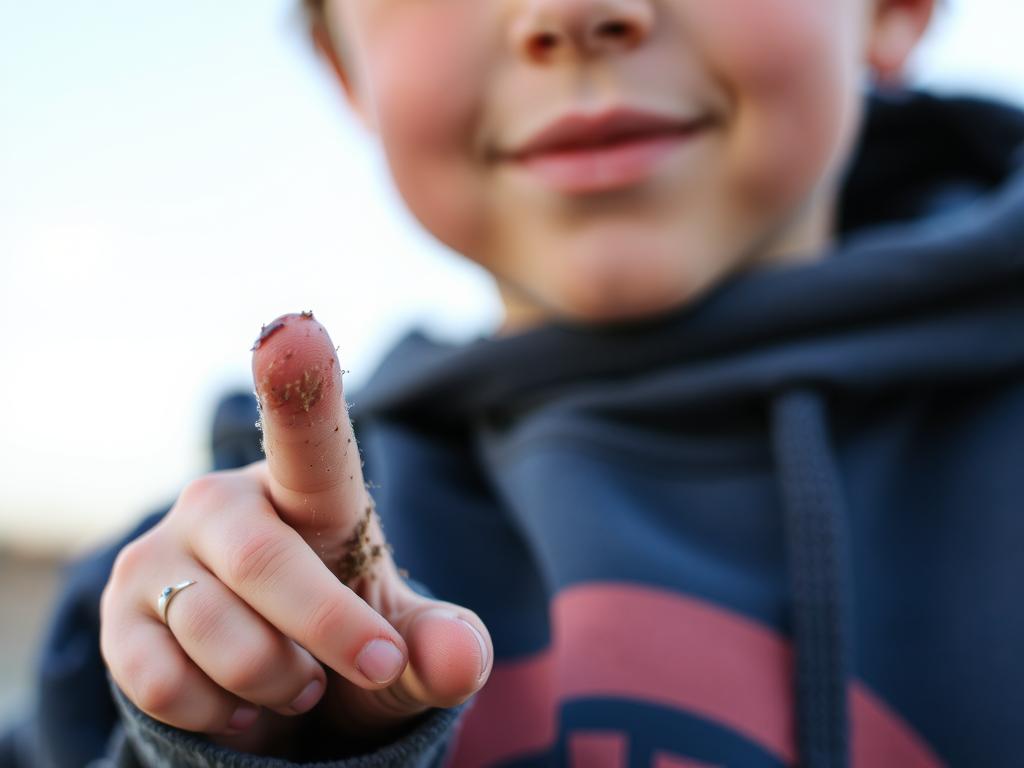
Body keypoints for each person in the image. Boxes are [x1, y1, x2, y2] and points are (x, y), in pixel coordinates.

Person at [5, 0, 1024, 765]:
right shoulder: (201, 596)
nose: (571, 15)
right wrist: (234, 733)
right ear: (344, 65)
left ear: (894, 7)